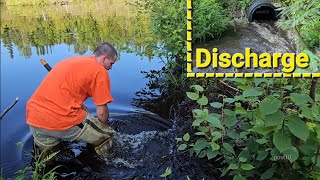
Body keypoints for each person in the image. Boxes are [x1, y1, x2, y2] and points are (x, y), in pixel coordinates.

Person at [26, 42, 117, 159]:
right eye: (111, 63)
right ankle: (106, 165)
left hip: (34, 118)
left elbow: (65, 91)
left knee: (48, 158)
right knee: (107, 138)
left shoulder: (70, 61)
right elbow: (102, 112)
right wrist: (103, 128)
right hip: (61, 118)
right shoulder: (99, 71)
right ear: (104, 58)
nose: (110, 67)